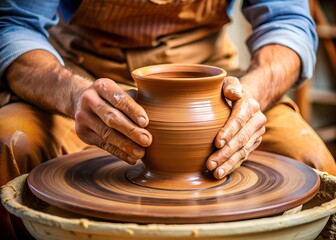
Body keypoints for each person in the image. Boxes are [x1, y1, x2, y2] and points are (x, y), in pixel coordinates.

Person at [1, 0, 335, 239]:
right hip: (89, 84)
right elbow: (13, 25)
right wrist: (72, 94)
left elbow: (288, 23)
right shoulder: (81, 94)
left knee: (312, 163)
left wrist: (253, 93)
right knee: (9, 143)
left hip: (218, 87)